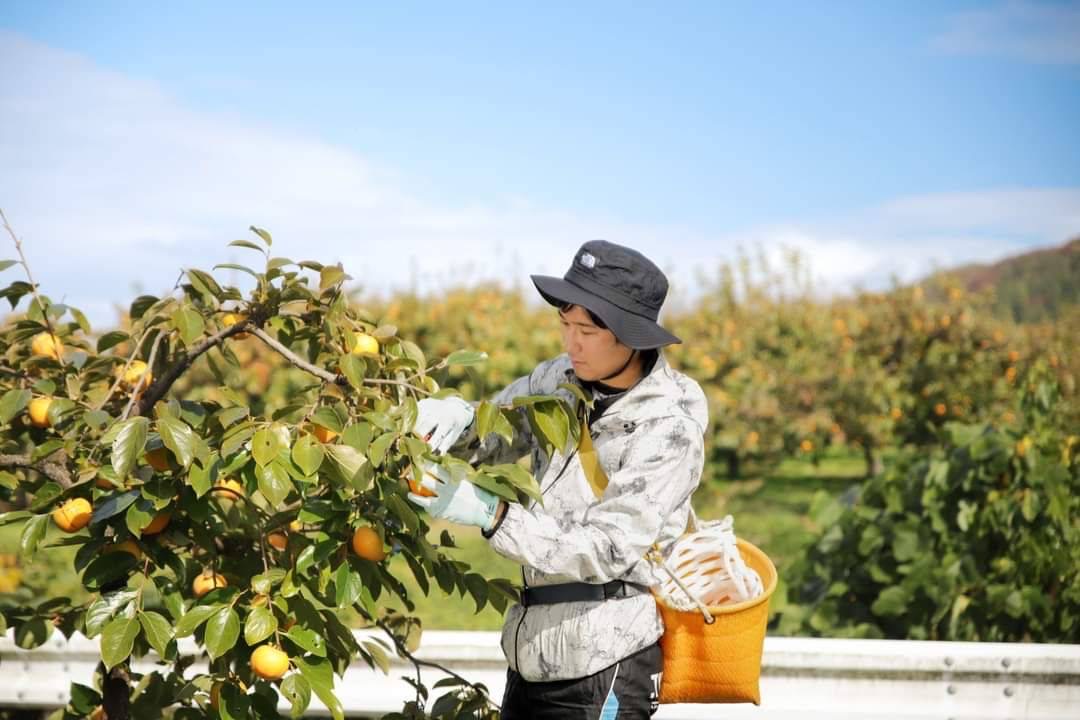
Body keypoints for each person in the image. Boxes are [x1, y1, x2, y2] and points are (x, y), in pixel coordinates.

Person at [408, 240, 708, 719]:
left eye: (587, 330)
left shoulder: (668, 429)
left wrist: (493, 515)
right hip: (532, 655)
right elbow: (496, 434)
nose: (572, 343)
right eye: (566, 325)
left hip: (606, 659)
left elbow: (607, 549)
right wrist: (454, 420)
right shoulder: (558, 382)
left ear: (631, 337)